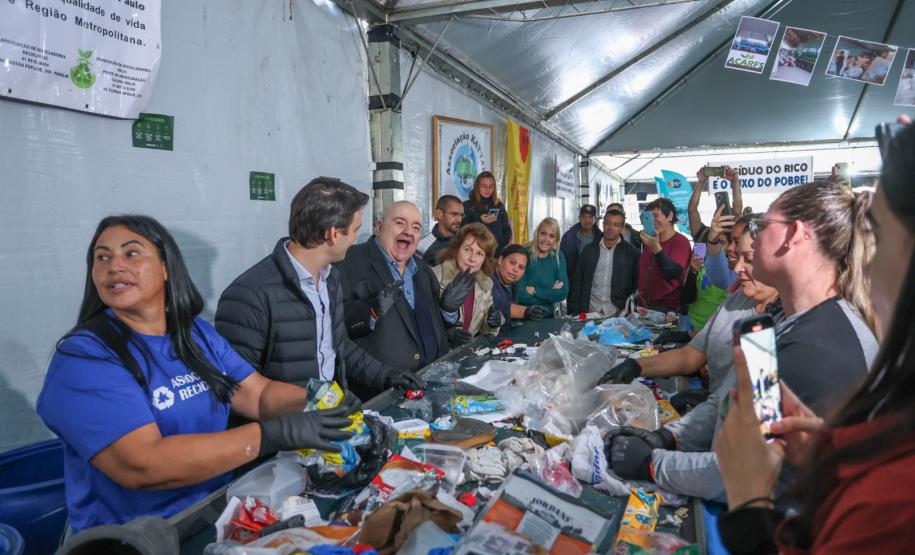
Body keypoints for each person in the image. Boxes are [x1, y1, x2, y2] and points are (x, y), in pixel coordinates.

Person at [37, 215, 361, 532]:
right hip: (135, 536)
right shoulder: (85, 358)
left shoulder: (194, 334)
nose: (115, 265)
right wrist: (272, 435)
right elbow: (141, 463)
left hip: (210, 513)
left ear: (165, 267)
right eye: (102, 257)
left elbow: (256, 394)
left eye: (131, 253)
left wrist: (319, 400)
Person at [606, 180, 879, 501]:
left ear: (794, 235)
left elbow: (743, 473)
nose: (742, 245)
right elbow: (729, 402)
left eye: (763, 226)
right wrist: (668, 438)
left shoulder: (815, 349)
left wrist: (653, 464)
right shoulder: (778, 323)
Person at [714, 118, 915, 554]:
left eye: (875, 234)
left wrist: (750, 505)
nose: (864, 259)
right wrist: (829, 457)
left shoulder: (896, 503)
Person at [216, 178, 417, 397]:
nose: (356, 238)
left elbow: (339, 347)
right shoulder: (249, 295)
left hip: (325, 420)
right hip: (287, 427)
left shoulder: (330, 279)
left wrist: (385, 375)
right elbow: (238, 391)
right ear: (333, 234)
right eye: (355, 229)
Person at [601, 214, 776, 394]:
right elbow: (690, 356)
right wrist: (636, 366)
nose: (738, 266)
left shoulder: (782, 318)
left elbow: (762, 407)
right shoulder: (735, 302)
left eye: (747, 257)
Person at [338, 200, 471, 376]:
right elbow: (334, 326)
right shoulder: (347, 263)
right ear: (379, 227)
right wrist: (370, 312)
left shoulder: (424, 271)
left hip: (433, 379)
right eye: (399, 223)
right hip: (381, 392)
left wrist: (447, 312)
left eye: (416, 227)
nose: (408, 231)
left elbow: (428, 326)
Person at [431, 224, 504, 336]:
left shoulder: (484, 284)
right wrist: (446, 335)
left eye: (479, 253)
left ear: (485, 259)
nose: (472, 258)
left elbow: (484, 330)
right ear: (456, 249)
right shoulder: (433, 277)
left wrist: (492, 324)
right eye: (467, 250)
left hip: (467, 351)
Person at [567, 209, 640, 316]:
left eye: (615, 224)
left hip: (618, 313)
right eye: (608, 223)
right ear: (603, 224)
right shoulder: (589, 250)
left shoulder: (632, 253)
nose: (610, 228)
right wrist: (576, 310)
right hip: (590, 311)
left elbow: (637, 287)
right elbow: (577, 282)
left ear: (621, 228)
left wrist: (627, 310)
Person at [637, 197, 692, 313]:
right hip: (643, 308)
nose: (652, 221)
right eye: (648, 217)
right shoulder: (650, 241)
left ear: (670, 216)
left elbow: (674, 272)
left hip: (667, 311)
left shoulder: (681, 242)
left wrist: (656, 248)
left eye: (656, 216)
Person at [516, 217, 569, 317]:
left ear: (556, 240)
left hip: (548, 318)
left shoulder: (558, 256)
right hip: (523, 315)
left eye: (552, 236)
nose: (546, 239)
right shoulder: (523, 252)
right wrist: (550, 292)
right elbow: (520, 294)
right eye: (543, 233)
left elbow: (563, 292)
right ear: (537, 233)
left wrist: (535, 290)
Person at [462, 171, 513, 255]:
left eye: (491, 186)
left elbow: (507, 230)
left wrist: (498, 248)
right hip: (474, 254)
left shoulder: (499, 205)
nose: (488, 190)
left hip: (496, 255)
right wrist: (479, 220)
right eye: (484, 186)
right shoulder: (467, 206)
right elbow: (461, 231)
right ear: (477, 187)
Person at [682, 242, 729, 331]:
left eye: (722, 243)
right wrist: (693, 271)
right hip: (692, 326)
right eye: (712, 244)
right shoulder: (701, 266)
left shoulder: (732, 271)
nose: (715, 248)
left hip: (715, 330)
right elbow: (688, 298)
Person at [689, 165, 742, 244]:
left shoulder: (733, 236)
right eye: (718, 212)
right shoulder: (702, 235)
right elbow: (692, 210)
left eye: (724, 213)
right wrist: (700, 182)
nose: (721, 215)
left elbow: (737, 212)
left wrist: (735, 183)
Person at [491, 244, 543, 322]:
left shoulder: (514, 284)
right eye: (512, 262)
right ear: (500, 260)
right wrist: (525, 311)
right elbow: (498, 305)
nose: (515, 269)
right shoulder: (488, 279)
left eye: (521, 267)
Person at [559, 204, 600, 284]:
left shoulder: (600, 238)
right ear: (579, 218)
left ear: (595, 219)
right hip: (572, 283)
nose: (587, 220)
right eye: (584, 217)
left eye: (590, 217)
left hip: (593, 284)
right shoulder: (568, 237)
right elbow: (561, 262)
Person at [417, 195, 463, 266]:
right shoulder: (423, 246)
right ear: (439, 214)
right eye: (454, 214)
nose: (459, 219)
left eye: (461, 215)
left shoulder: (466, 241)